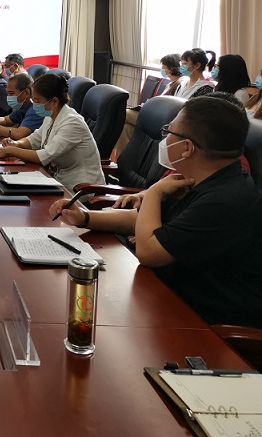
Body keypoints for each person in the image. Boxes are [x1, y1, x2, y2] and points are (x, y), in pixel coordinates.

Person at [49, 96, 262, 328]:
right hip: (165, 297)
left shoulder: (224, 200)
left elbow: (149, 252)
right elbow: (144, 220)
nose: (165, 138)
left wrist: (153, 193)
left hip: (202, 324)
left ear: (187, 147)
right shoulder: (198, 178)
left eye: (168, 132)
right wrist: (85, 217)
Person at [0, 74, 104, 192]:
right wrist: (16, 144)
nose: (34, 104)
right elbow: (34, 139)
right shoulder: (50, 116)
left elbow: (43, 156)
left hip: (80, 188)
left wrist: (11, 150)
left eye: (37, 101)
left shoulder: (72, 123)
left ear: (54, 101)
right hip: (56, 179)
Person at [115, 52, 186, 156]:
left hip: (160, 120)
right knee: (126, 128)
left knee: (122, 114)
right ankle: (122, 159)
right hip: (156, 115)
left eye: (164, 67)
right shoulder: (172, 83)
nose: (162, 70)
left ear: (171, 68)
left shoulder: (179, 84)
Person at [0, 73, 43, 139]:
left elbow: (19, 134)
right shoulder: (23, 106)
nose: (8, 97)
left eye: (11, 93)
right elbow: (6, 120)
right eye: (7, 93)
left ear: (26, 92)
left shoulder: (36, 109)